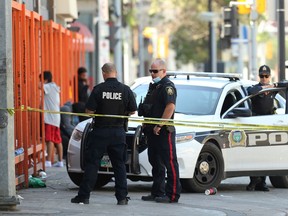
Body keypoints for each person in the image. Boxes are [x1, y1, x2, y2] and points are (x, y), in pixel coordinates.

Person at [71, 63, 137, 205]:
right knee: (119, 165)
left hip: (100, 132)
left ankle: (84, 196)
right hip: (118, 132)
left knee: (92, 164)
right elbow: (132, 111)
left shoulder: (98, 89)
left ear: (104, 73)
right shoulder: (125, 90)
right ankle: (122, 198)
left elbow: (88, 111)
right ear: (116, 72)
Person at [139, 58, 181, 203]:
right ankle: (157, 192)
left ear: (164, 71)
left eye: (155, 71)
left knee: (170, 162)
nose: (152, 74)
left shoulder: (167, 87)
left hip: (163, 132)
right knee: (155, 162)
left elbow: (170, 107)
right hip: (151, 131)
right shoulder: (154, 87)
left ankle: (173, 195)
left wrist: (159, 125)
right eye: (151, 71)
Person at [246, 65, 276, 192]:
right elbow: (250, 91)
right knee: (254, 153)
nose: (264, 78)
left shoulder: (274, 89)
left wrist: (273, 86)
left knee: (266, 154)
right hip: (256, 124)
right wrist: (265, 87)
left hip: (268, 124)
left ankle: (262, 182)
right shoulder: (256, 88)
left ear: (270, 76)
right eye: (262, 76)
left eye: (266, 76)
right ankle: (253, 181)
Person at [39, 71, 63, 168]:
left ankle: (48, 161)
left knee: (50, 139)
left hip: (50, 118)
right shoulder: (55, 87)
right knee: (57, 140)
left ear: (45, 80)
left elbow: (39, 86)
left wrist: (41, 82)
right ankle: (60, 161)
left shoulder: (48, 86)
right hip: (56, 118)